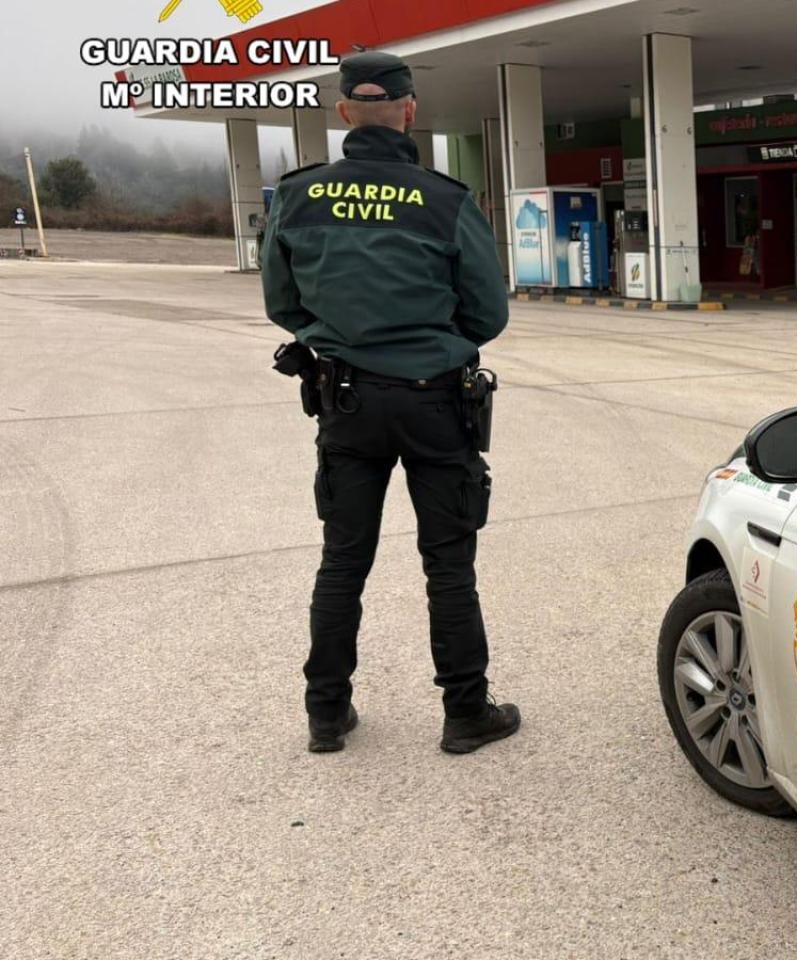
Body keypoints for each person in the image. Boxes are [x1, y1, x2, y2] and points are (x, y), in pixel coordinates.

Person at [261, 51, 520, 755]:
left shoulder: (297, 197)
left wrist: (341, 338)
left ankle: (326, 714)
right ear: (410, 112)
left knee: (343, 560)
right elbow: (488, 314)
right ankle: (466, 713)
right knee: (449, 564)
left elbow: (282, 305)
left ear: (343, 113)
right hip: (436, 403)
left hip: (345, 403)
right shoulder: (444, 199)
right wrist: (430, 344)